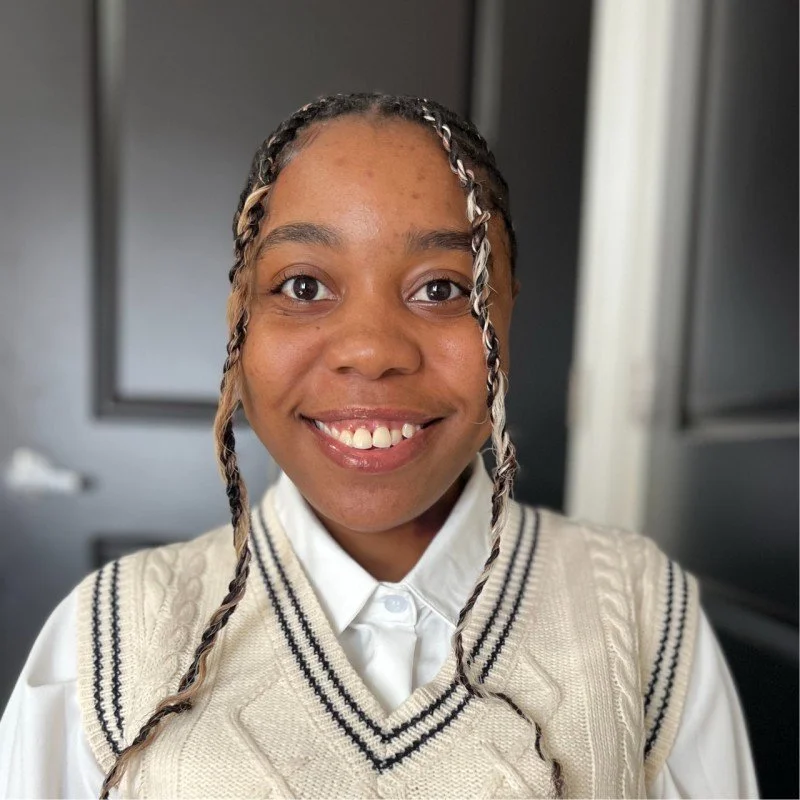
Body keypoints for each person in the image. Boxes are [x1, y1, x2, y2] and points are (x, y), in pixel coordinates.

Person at [0, 93, 757, 799]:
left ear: (509, 313)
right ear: (240, 322)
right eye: (302, 287)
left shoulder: (640, 609)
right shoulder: (105, 637)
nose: (369, 350)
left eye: (443, 289)